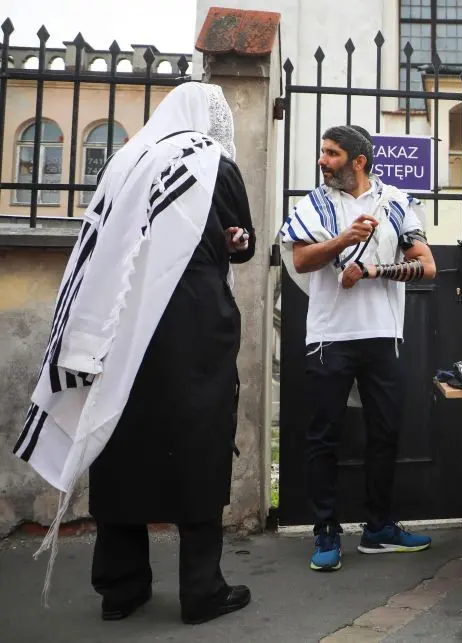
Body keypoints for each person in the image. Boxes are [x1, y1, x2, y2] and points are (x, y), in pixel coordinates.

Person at [13, 82, 254, 624]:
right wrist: (234, 240)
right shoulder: (211, 161)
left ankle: (121, 588)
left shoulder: (124, 163)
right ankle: (202, 590)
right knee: (199, 443)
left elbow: (99, 244)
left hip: (121, 323)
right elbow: (243, 242)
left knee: (120, 437)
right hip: (193, 323)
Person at [279, 125, 437, 571]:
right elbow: (301, 259)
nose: (322, 160)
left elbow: (426, 267)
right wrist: (342, 241)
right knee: (324, 437)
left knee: (385, 433)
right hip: (330, 336)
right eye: (322, 151)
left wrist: (370, 269)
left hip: (382, 335)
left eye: (331, 153)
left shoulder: (395, 202)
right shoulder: (314, 204)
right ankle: (325, 531)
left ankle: (379, 528)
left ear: (358, 161)